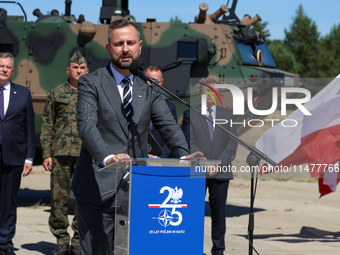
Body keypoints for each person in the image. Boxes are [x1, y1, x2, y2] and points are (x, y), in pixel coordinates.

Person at [70, 19, 201, 255]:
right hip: (97, 189)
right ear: (109, 48)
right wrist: (108, 157)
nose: (125, 48)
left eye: (130, 42)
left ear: (139, 46)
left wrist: (183, 155)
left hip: (137, 189)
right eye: (118, 43)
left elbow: (168, 125)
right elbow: (86, 126)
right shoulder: (91, 82)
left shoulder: (148, 86)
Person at [182, 78, 238, 255]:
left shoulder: (227, 115)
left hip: (220, 172)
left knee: (219, 214)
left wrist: (218, 163)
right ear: (200, 93)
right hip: (198, 170)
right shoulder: (191, 113)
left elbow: (231, 144)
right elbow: (189, 141)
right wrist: (204, 162)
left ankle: (218, 250)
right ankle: (193, 248)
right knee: (194, 212)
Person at [40, 51, 89, 255]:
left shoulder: (93, 92)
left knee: (82, 199)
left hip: (85, 154)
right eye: (75, 68)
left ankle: (78, 241)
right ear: (68, 70)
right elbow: (47, 123)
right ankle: (61, 239)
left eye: (82, 68)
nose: (79, 71)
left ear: (87, 71)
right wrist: (46, 153)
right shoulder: (57, 92)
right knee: (58, 198)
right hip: (60, 153)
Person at [0, 52, 35, 255]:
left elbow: (29, 128)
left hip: (13, 156)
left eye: (7, 67)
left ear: (13, 71)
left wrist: (29, 157)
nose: (4, 69)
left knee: (8, 203)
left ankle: (4, 244)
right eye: (1, 66)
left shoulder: (23, 93)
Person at [145, 66, 178, 158]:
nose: (153, 85)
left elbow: (171, 136)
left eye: (157, 82)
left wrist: (161, 158)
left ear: (161, 82)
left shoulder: (170, 108)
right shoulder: (133, 105)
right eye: (150, 81)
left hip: (161, 160)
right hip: (139, 159)